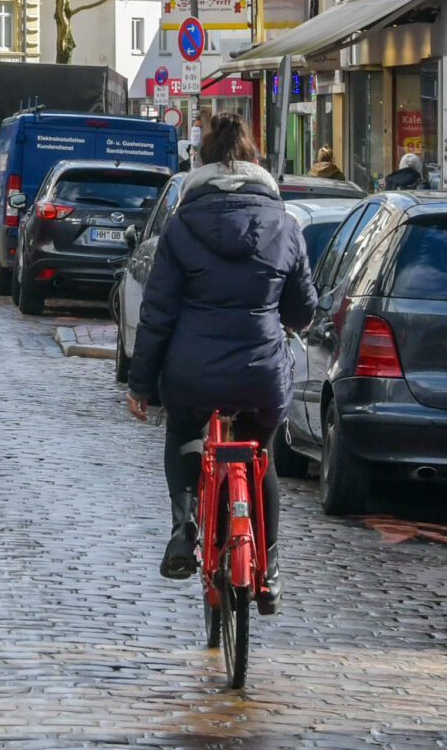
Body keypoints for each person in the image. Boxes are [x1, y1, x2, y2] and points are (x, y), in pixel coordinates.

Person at [124, 115, 318, 609]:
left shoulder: (182, 225)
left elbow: (158, 313)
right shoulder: (284, 225)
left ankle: (185, 528)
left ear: (203, 163)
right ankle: (269, 568)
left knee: (185, 434)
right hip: (262, 375)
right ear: (256, 162)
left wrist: (141, 383)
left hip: (193, 373)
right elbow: (303, 309)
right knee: (262, 456)